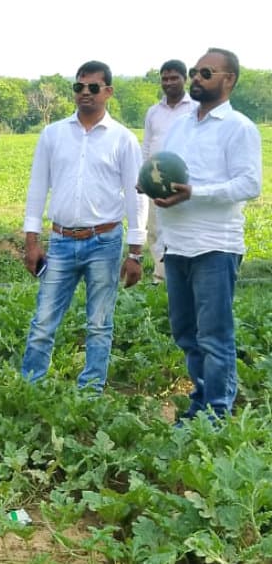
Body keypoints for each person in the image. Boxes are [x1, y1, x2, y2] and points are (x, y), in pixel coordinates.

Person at [20, 60, 148, 392]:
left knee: (99, 324)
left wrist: (136, 252)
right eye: (79, 87)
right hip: (61, 241)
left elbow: (137, 196)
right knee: (43, 321)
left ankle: (90, 393)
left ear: (108, 92)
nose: (85, 93)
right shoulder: (54, 134)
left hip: (104, 241)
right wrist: (31, 242)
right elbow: (37, 188)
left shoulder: (122, 139)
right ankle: (30, 387)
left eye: (93, 87)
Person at [154, 48, 262, 421]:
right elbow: (166, 171)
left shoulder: (239, 127)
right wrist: (151, 185)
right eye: (195, 72)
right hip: (177, 244)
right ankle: (201, 400)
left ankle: (216, 412)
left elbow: (249, 184)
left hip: (215, 245)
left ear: (227, 79)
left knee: (214, 335)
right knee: (185, 332)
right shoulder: (181, 125)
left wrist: (194, 192)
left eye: (205, 72)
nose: (196, 78)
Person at [142, 59, 196, 284]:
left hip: (184, 182)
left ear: (185, 79)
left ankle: (187, 274)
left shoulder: (195, 108)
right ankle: (160, 277)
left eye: (174, 78)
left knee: (184, 226)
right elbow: (147, 146)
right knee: (155, 228)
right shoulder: (153, 112)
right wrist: (143, 177)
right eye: (165, 78)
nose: (169, 82)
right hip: (156, 181)